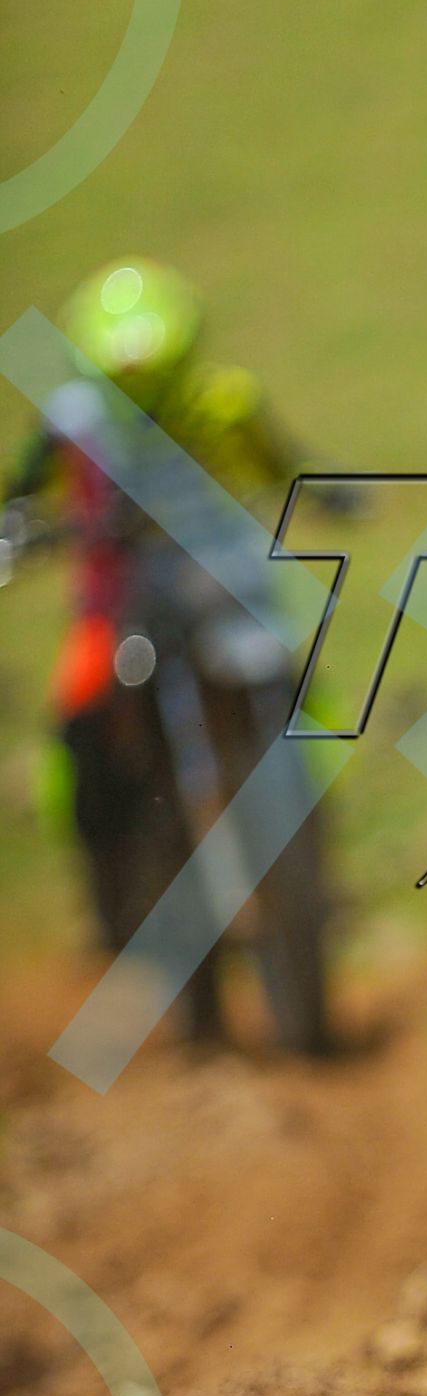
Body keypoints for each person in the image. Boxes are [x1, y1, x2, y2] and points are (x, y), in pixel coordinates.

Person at [3, 260, 321, 1044]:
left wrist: (323, 492)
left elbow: (282, 463)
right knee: (82, 724)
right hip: (117, 610)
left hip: (221, 591)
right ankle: (113, 897)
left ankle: (313, 849)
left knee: (302, 691)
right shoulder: (73, 425)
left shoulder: (223, 401)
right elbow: (19, 499)